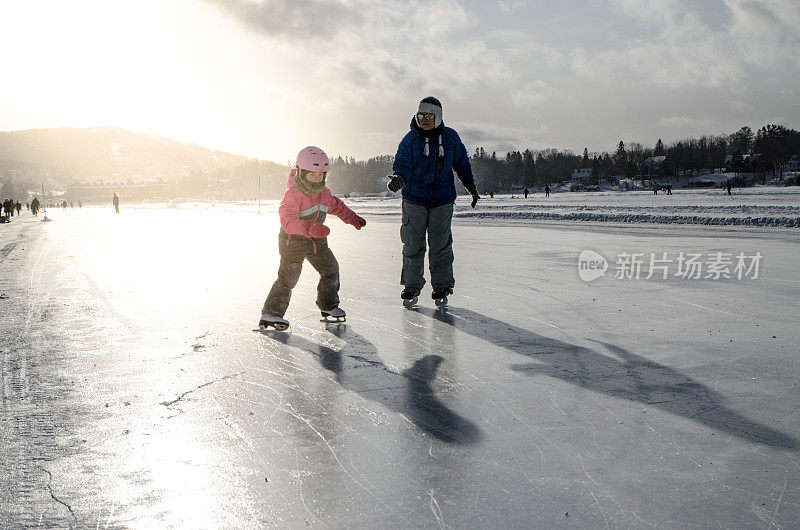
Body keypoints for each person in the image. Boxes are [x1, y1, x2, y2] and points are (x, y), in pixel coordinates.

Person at [259, 146, 366, 329]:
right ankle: (271, 313)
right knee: (288, 277)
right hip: (293, 242)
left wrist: (352, 218)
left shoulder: (324, 193)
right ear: (301, 173)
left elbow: (337, 206)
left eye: (321, 175)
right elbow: (287, 221)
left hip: (317, 242)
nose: (317, 179)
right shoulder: (293, 194)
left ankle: (328, 306)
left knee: (331, 269)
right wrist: (309, 228)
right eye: (312, 175)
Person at [386, 96, 478, 306]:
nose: (424, 119)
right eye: (421, 115)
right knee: (412, 245)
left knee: (440, 246)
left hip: (442, 200)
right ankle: (411, 286)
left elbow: (462, 163)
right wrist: (399, 178)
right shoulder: (409, 140)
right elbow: (402, 163)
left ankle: (442, 287)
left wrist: (471, 187)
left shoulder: (451, 138)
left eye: (429, 116)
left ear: (438, 117)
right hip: (414, 200)